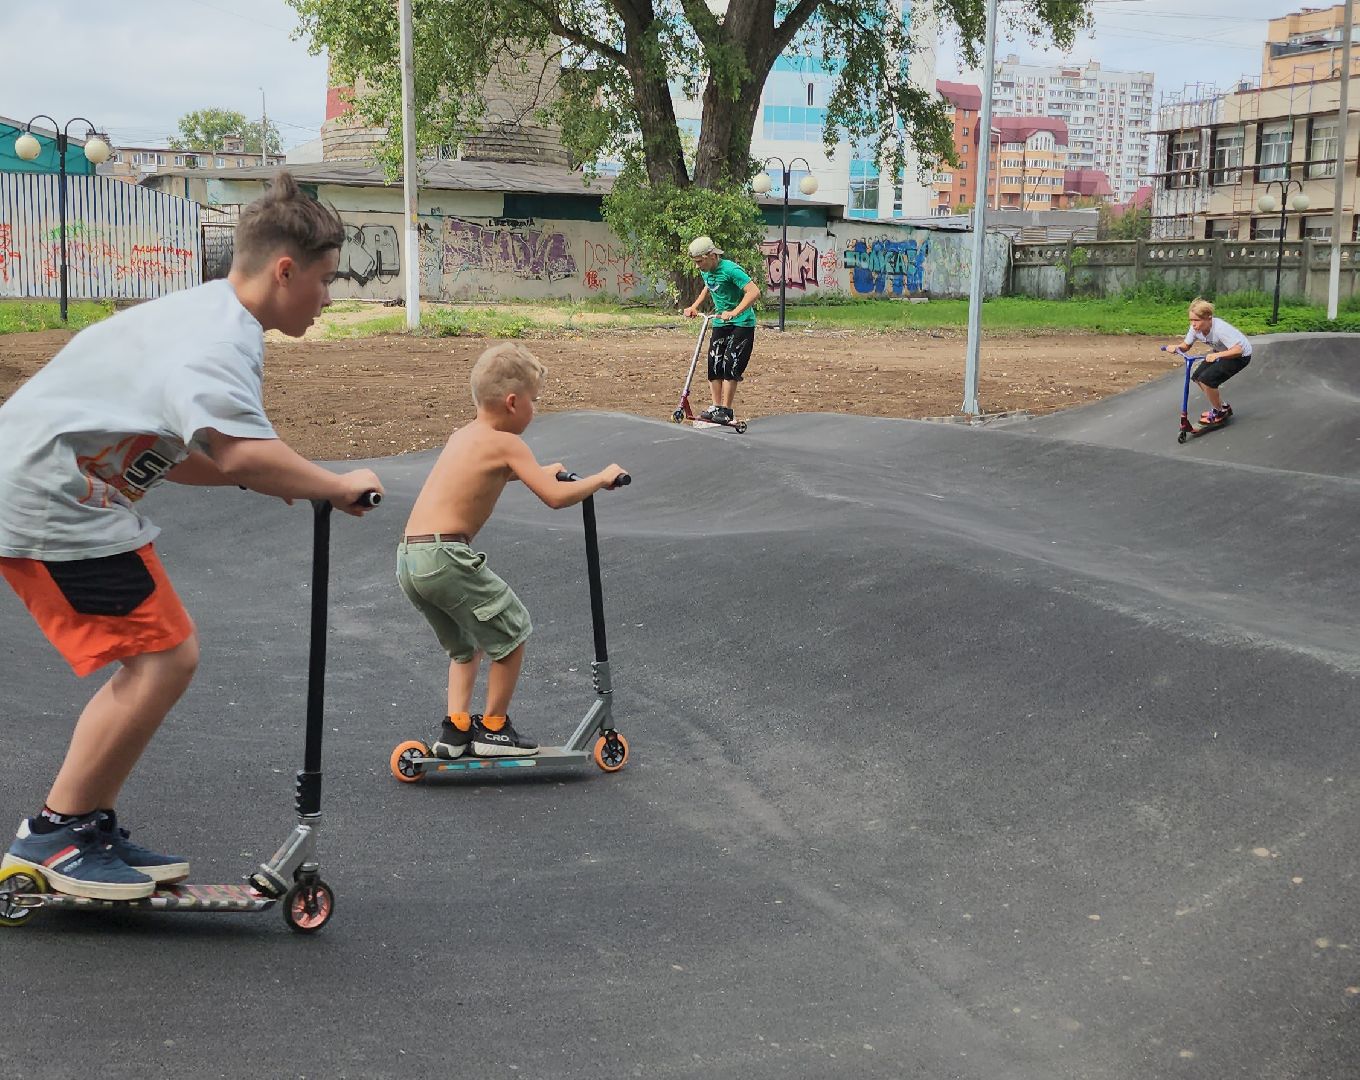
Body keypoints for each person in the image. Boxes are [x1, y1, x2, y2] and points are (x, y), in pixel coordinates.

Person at [0, 173, 383, 901]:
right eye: (326, 281)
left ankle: (81, 827)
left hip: (54, 490)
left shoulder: (203, 316)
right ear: (285, 270)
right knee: (163, 659)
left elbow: (182, 458)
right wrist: (331, 483)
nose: (328, 299)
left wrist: (279, 480)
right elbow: (240, 453)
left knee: (159, 658)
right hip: (50, 500)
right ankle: (57, 834)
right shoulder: (217, 340)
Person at [396, 344, 626, 761]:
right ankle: (494, 728)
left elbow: (484, 475)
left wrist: (540, 471)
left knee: (465, 645)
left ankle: (456, 730)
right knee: (512, 631)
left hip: (411, 558)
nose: (535, 410)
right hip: (446, 557)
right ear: (513, 402)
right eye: (534, 401)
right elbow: (555, 498)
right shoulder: (508, 444)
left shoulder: (464, 435)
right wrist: (600, 478)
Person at [682, 236, 761, 425]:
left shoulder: (731, 270)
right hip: (720, 321)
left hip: (741, 322)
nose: (697, 266)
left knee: (730, 364)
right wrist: (694, 306)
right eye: (695, 262)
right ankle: (716, 407)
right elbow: (708, 287)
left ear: (712, 256)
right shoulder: (706, 271)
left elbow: (754, 292)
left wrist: (734, 312)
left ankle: (726, 410)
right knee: (714, 362)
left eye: (700, 261)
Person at [1163, 297, 1253, 424]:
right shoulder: (1195, 329)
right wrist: (1176, 348)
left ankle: (1219, 412)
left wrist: (1217, 355)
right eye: (1191, 320)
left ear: (1209, 318)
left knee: (1207, 380)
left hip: (1240, 356)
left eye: (1197, 320)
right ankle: (1222, 407)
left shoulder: (1220, 329)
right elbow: (1186, 346)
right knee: (1197, 377)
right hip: (1222, 353)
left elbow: (1238, 350)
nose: (1193, 324)